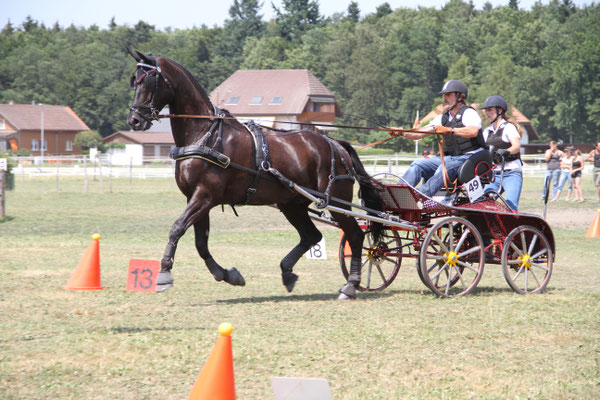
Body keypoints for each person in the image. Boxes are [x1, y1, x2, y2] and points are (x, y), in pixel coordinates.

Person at [391, 79, 484, 197]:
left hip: (470, 158)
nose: (445, 98)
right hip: (451, 158)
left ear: (460, 97)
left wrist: (449, 130)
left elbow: (473, 131)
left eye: (449, 94)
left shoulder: (469, 113)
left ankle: (420, 196)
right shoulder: (443, 118)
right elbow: (418, 134)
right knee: (417, 164)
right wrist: (401, 132)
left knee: (443, 168)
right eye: (444, 95)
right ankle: (398, 195)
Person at [479, 95, 522, 211]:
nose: (487, 113)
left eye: (490, 110)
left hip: (512, 173)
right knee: (482, 202)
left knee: (511, 206)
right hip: (494, 175)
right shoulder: (487, 131)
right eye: (486, 110)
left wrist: (506, 151)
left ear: (500, 111)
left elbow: (516, 146)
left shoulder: (508, 127)